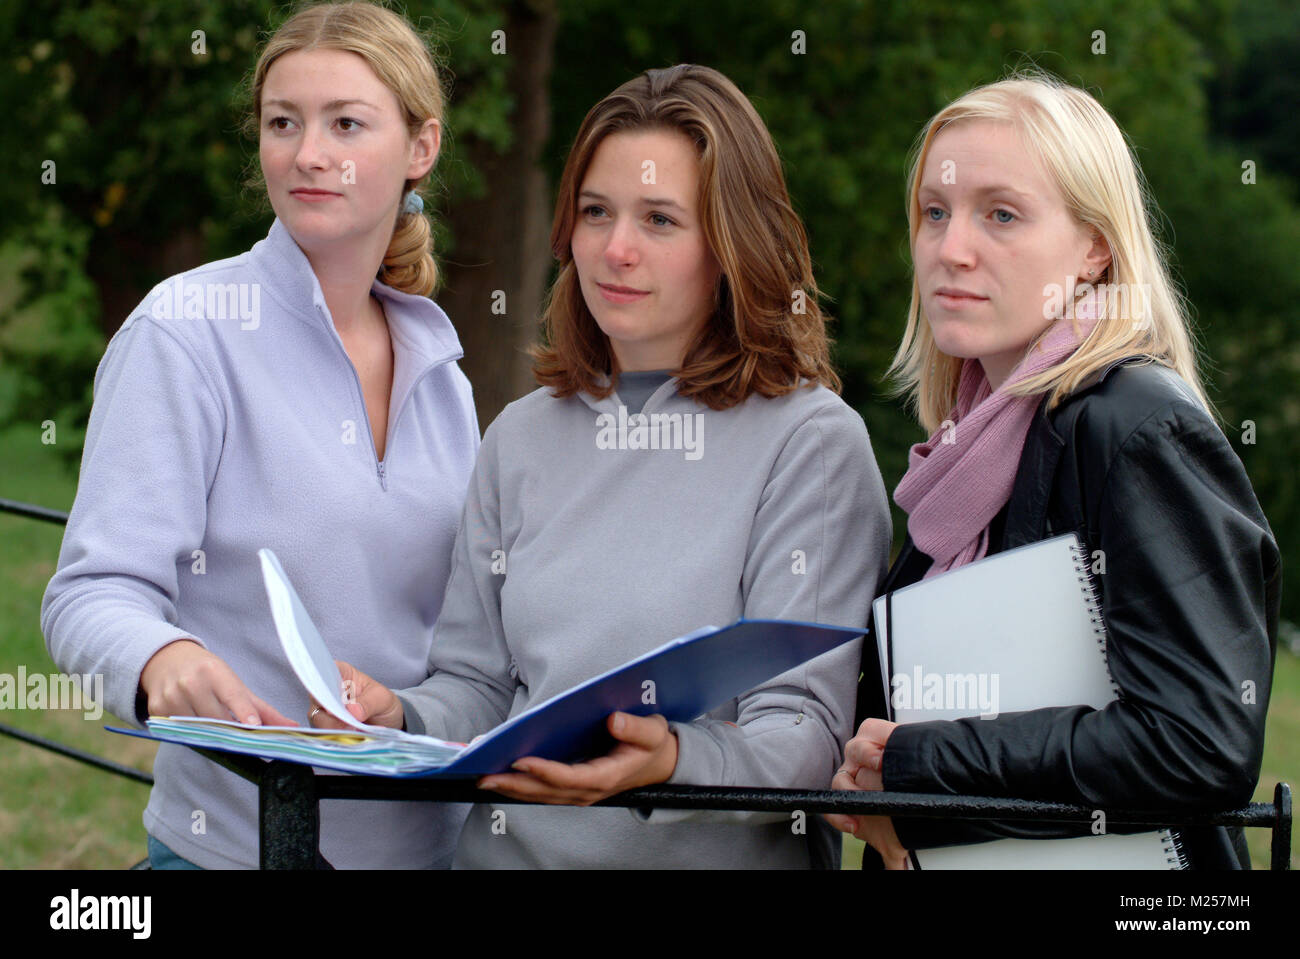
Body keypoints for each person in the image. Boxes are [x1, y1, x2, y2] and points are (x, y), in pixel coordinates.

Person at [313, 63, 893, 869]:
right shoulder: (518, 437)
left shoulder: (811, 444)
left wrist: (673, 763)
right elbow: (477, 689)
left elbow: (804, 733)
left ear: (731, 243)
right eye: (596, 212)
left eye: (660, 219)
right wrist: (395, 714)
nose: (615, 250)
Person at [41, 1, 480, 869]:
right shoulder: (184, 331)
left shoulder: (445, 374)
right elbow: (89, 593)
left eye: (346, 123)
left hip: (433, 852)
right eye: (284, 123)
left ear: (420, 149)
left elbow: (468, 640)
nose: (308, 153)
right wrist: (159, 652)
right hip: (235, 851)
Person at [826, 71, 1280, 870]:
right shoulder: (965, 451)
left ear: (1095, 246)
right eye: (935, 211)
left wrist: (918, 768)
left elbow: (1197, 742)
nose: (950, 247)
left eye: (1000, 214)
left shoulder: (1136, 425)